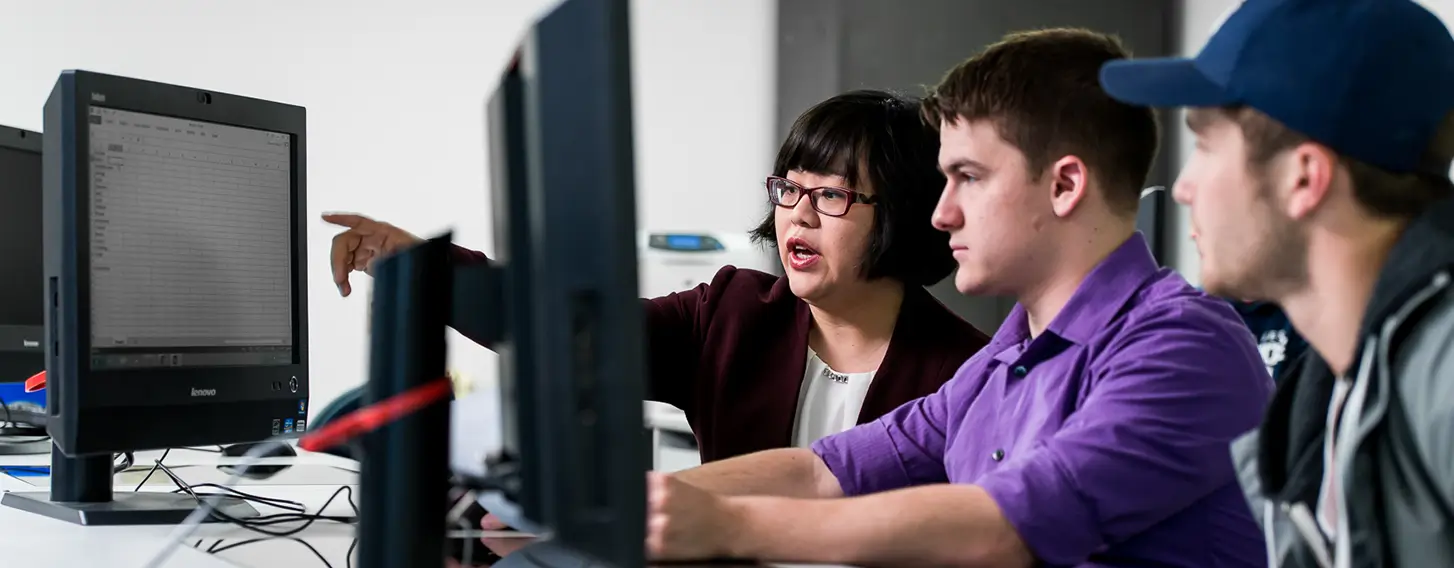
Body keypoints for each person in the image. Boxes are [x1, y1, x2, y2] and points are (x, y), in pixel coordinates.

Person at [642, 28, 1272, 566]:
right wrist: (648, 509)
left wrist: (727, 525)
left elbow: (1005, 528)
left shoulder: (1183, 346)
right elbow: (820, 471)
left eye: (968, 177)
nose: (941, 214)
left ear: (1064, 186)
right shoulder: (998, 366)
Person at [325, 90, 991, 464]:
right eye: (789, 189)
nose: (798, 215)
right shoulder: (731, 315)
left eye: (834, 196)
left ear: (901, 214)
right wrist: (420, 267)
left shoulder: (970, 372)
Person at [1099, 0, 1454, 566]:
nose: (1184, 188)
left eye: (1206, 146)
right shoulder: (1327, 398)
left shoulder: (1441, 368)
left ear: (1304, 177)